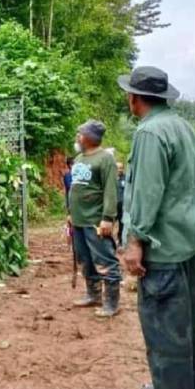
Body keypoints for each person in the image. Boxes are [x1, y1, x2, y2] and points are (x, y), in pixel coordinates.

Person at [118, 66, 195, 389]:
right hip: (190, 243)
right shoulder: (183, 127)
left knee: (165, 332)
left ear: (135, 98)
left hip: (164, 250)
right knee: (188, 325)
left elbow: (147, 190)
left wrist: (135, 239)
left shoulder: (150, 132)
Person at [68, 120, 120, 317]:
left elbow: (110, 190)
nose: (77, 137)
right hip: (78, 219)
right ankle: (93, 294)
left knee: (105, 259)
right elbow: (75, 188)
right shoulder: (79, 158)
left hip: (96, 220)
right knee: (85, 259)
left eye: (80, 134)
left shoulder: (105, 159)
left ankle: (112, 303)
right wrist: (70, 213)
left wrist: (108, 217)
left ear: (90, 137)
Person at [116, 162, 126, 245]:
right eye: (117, 168)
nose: (119, 170)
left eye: (121, 168)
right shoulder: (111, 178)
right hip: (113, 205)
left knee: (121, 223)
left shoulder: (126, 178)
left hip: (122, 206)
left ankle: (120, 240)